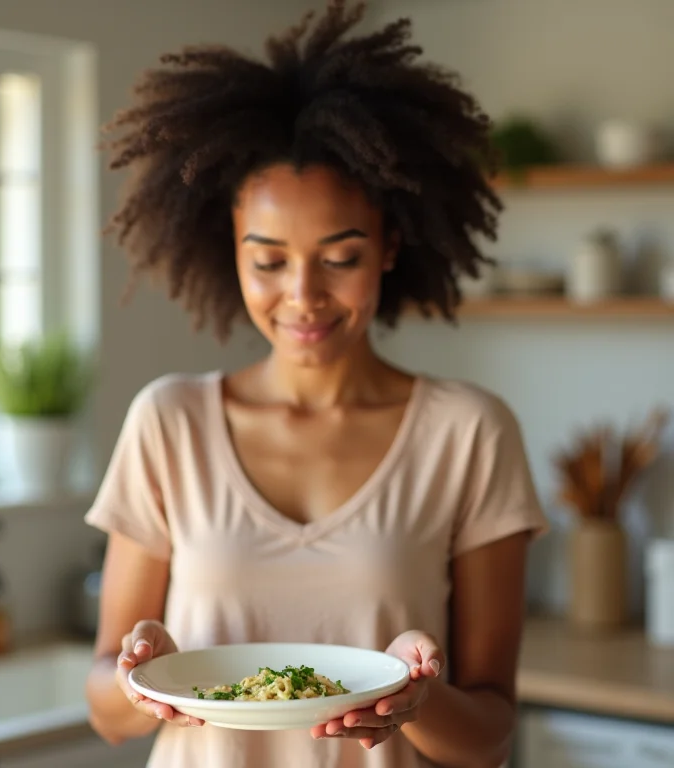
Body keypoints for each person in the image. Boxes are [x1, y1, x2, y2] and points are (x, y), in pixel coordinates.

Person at [84, 2, 548, 766]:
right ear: (228, 252)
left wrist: (415, 702)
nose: (303, 294)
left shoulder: (470, 431)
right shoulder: (169, 422)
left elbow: (491, 734)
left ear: (391, 246)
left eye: (340, 256)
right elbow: (107, 712)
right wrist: (142, 678)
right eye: (268, 260)